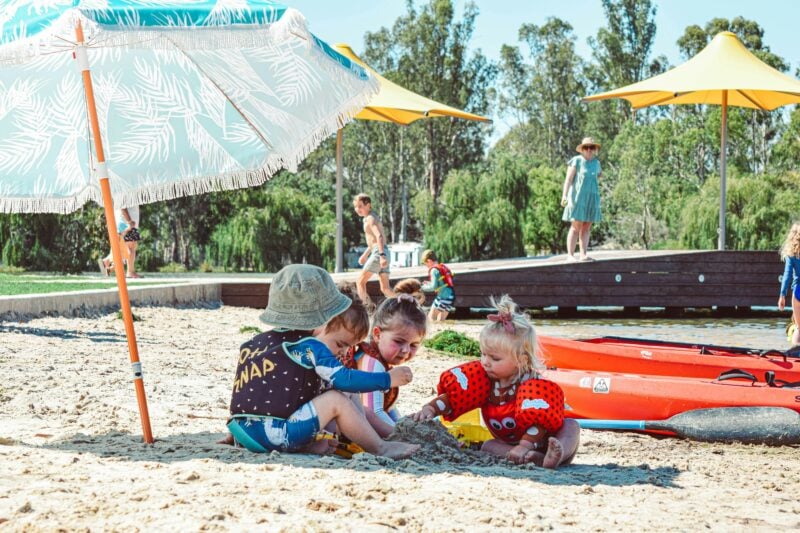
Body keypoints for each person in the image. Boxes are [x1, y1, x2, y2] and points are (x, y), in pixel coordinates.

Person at [227, 264, 419, 459]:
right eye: (340, 344)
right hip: (277, 434)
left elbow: (252, 392)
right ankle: (380, 448)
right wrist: (387, 379)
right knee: (336, 399)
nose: (343, 352)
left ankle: (354, 437)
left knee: (343, 395)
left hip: (243, 430)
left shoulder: (258, 343)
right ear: (322, 321)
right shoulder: (309, 346)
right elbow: (345, 379)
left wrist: (239, 433)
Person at [412, 295, 579, 468]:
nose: (485, 362)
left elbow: (540, 421)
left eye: (495, 358)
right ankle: (533, 459)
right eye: (483, 354)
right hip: (509, 446)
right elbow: (454, 398)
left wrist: (525, 445)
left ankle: (555, 456)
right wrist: (431, 408)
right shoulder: (485, 382)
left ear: (521, 361)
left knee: (571, 426)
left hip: (547, 440)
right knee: (488, 446)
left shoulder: (532, 384)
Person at [339, 293, 428, 437]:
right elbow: (373, 412)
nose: (405, 350)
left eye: (414, 345)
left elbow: (388, 408)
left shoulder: (381, 361)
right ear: (378, 335)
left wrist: (401, 425)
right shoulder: (372, 362)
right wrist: (400, 436)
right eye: (399, 342)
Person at [561, 137, 602, 262]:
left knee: (587, 226)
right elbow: (568, 179)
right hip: (577, 198)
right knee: (576, 226)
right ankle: (570, 255)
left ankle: (583, 254)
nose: (589, 150)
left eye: (591, 147)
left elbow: (599, 176)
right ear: (582, 149)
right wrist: (564, 195)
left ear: (594, 149)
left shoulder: (597, 163)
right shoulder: (576, 161)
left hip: (592, 198)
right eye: (586, 147)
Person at [353, 193, 394, 306]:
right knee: (385, 289)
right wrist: (365, 255)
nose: (357, 209)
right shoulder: (367, 218)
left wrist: (381, 256)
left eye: (360, 206)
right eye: (356, 207)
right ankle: (408, 303)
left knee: (360, 282)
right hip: (382, 251)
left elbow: (379, 236)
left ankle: (365, 311)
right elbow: (373, 241)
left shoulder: (371, 218)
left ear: (368, 205)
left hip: (379, 253)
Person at [98, 204, 141, 279]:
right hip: (127, 223)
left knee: (126, 249)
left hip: (126, 222)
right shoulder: (125, 192)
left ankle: (107, 264)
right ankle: (130, 271)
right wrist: (129, 221)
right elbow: (122, 204)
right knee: (130, 248)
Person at [778, 222, 800, 346]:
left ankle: (795, 356)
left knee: (799, 328)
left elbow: (786, 276)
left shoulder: (791, 255)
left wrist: (782, 295)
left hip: (798, 291)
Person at [421, 249, 456, 321]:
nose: (426, 266)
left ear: (429, 261)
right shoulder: (442, 267)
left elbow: (433, 287)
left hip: (443, 297)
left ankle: (433, 332)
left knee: (431, 318)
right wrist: (428, 283)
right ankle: (442, 332)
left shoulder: (433, 270)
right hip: (451, 297)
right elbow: (442, 284)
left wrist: (421, 288)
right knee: (441, 321)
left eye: (425, 263)